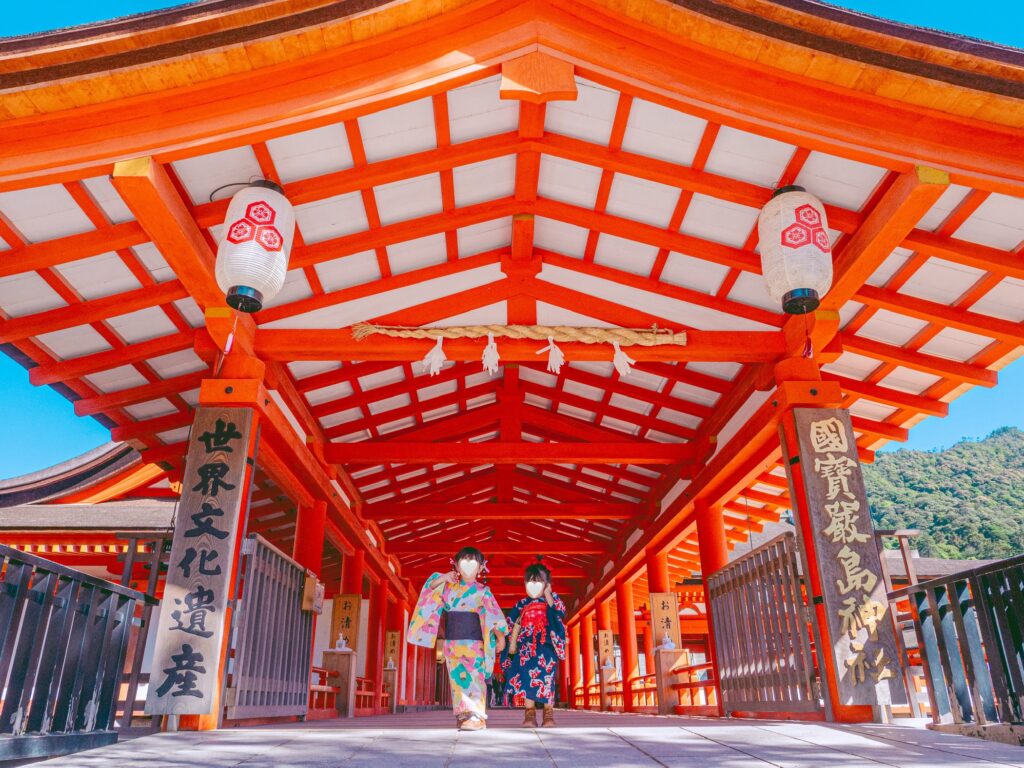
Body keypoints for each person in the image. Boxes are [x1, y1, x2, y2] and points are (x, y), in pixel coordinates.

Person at [407, 546, 507, 731]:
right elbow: (430, 590)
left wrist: (500, 638)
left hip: (474, 644)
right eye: (464, 562)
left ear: (481, 568)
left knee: (475, 679)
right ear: (456, 566)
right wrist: (444, 577)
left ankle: (477, 717)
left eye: (473, 562)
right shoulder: (448, 588)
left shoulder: (483, 592)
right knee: (458, 681)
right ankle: (464, 715)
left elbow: (493, 617)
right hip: (452, 643)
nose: (468, 566)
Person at [501, 558, 566, 728]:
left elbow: (560, 612)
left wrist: (548, 595)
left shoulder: (551, 600)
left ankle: (548, 714)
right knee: (527, 679)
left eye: (539, 582)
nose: (534, 585)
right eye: (530, 582)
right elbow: (509, 621)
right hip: (526, 648)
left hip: (546, 646)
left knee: (547, 679)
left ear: (547, 584)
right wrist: (500, 630)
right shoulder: (522, 603)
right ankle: (529, 715)